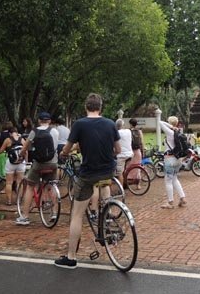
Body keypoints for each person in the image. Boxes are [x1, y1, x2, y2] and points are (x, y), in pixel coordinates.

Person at [54, 93, 120, 269]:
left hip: (88, 173)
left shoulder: (79, 124)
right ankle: (106, 215)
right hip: (107, 171)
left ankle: (71, 257)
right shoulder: (110, 124)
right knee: (104, 184)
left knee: (76, 214)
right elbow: (118, 149)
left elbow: (67, 148)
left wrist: (64, 153)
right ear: (101, 107)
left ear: (86, 107)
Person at [15, 112, 59, 225]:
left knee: (30, 186)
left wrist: (21, 156)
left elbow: (25, 147)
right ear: (49, 121)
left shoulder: (34, 131)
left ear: (39, 120)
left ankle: (24, 216)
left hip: (39, 164)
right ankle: (54, 212)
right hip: (53, 163)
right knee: (51, 185)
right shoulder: (55, 131)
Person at [159, 116, 188, 209]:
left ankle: (170, 202)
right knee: (175, 179)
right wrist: (173, 126)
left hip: (169, 159)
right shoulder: (179, 132)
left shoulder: (170, 132)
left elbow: (160, 122)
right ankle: (182, 197)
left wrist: (170, 126)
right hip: (178, 160)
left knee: (168, 181)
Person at [0, 127, 26, 205]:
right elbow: (26, 151)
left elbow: (1, 150)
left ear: (10, 133)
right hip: (21, 163)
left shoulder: (8, 140)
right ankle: (19, 200)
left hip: (10, 163)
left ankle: (9, 201)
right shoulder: (22, 139)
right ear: (17, 132)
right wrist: (26, 161)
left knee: (9, 183)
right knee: (19, 182)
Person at [115, 119, 133, 188]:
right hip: (130, 154)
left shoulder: (117, 133)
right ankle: (126, 184)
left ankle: (121, 189)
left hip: (121, 155)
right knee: (126, 171)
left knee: (119, 173)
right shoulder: (128, 131)